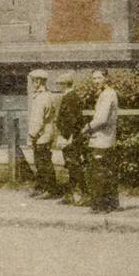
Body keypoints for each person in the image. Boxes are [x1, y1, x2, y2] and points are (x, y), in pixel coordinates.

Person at [83, 69, 120, 214]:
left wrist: (87, 128)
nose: (96, 81)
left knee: (99, 173)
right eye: (94, 78)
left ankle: (100, 206)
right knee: (107, 172)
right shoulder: (107, 93)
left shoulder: (107, 94)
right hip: (106, 138)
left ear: (106, 78)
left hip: (102, 139)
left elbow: (101, 119)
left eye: (99, 78)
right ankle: (112, 203)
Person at [53, 71, 89, 206]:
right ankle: (73, 195)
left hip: (70, 137)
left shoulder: (70, 98)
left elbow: (72, 120)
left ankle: (82, 194)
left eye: (60, 84)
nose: (59, 87)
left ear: (64, 84)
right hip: (70, 136)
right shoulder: (71, 97)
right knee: (71, 165)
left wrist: (66, 137)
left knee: (73, 165)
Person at [26, 70, 58, 197]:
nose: (33, 83)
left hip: (42, 135)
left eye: (34, 81)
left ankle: (50, 190)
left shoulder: (42, 98)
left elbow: (38, 121)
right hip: (45, 133)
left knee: (44, 163)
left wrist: (31, 135)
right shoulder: (46, 95)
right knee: (41, 162)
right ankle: (41, 187)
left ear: (38, 81)